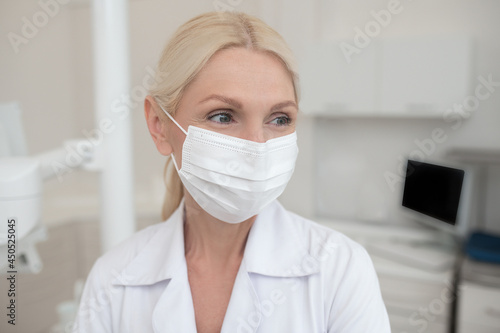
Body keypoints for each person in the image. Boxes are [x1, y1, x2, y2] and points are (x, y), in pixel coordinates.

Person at [74, 11, 391, 333]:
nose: (257, 146)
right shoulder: (113, 279)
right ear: (159, 126)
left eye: (279, 119)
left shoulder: (341, 269)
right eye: (223, 116)